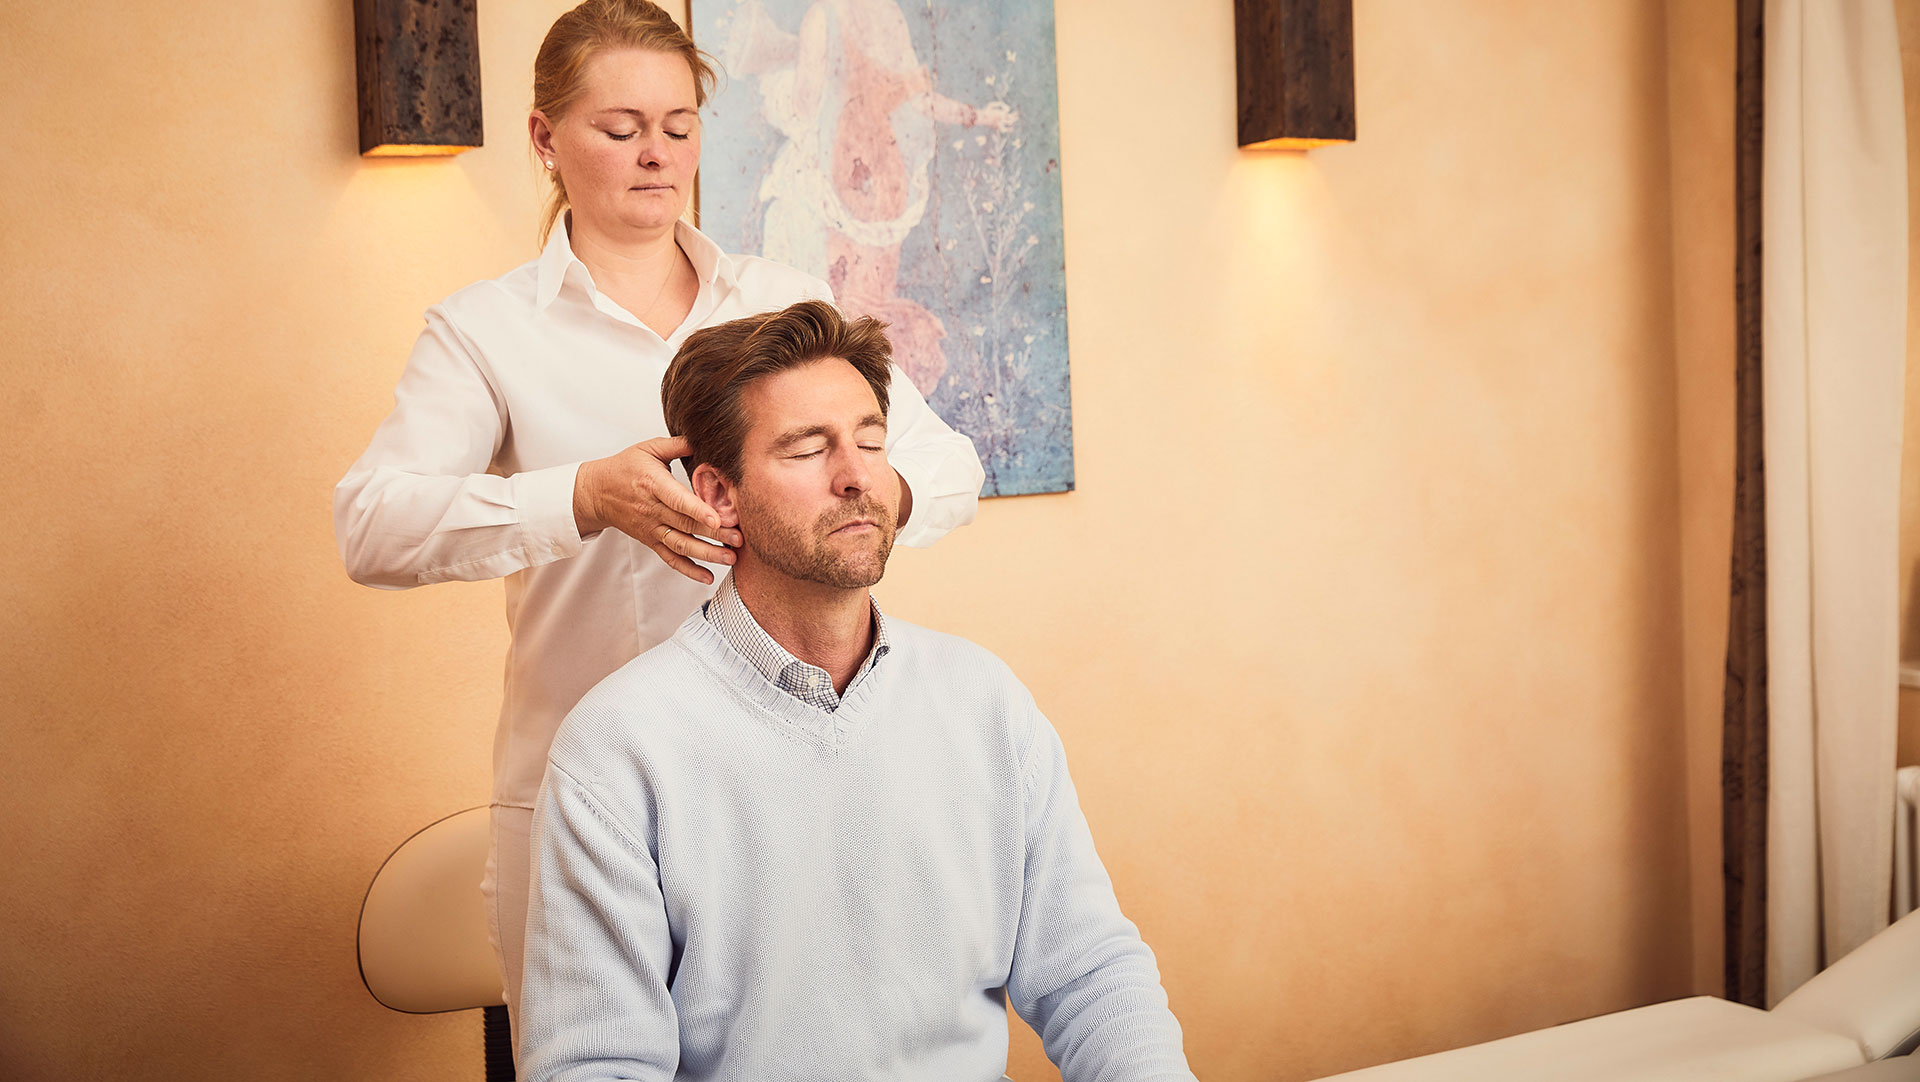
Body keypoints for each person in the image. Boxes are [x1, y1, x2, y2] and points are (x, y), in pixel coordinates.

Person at [332, 0, 985, 1042]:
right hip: (582, 796)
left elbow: (947, 467)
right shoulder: (486, 331)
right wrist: (581, 498)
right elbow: (374, 525)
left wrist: (857, 494)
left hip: (795, 786)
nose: (657, 155)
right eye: (621, 127)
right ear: (546, 138)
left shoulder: (782, 303)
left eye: (679, 126)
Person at [517, 301, 1195, 1082]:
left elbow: (1092, 975)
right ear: (720, 494)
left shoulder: (983, 701)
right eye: (809, 449)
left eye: (870, 441)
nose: (857, 477)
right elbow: (595, 1067)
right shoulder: (618, 748)